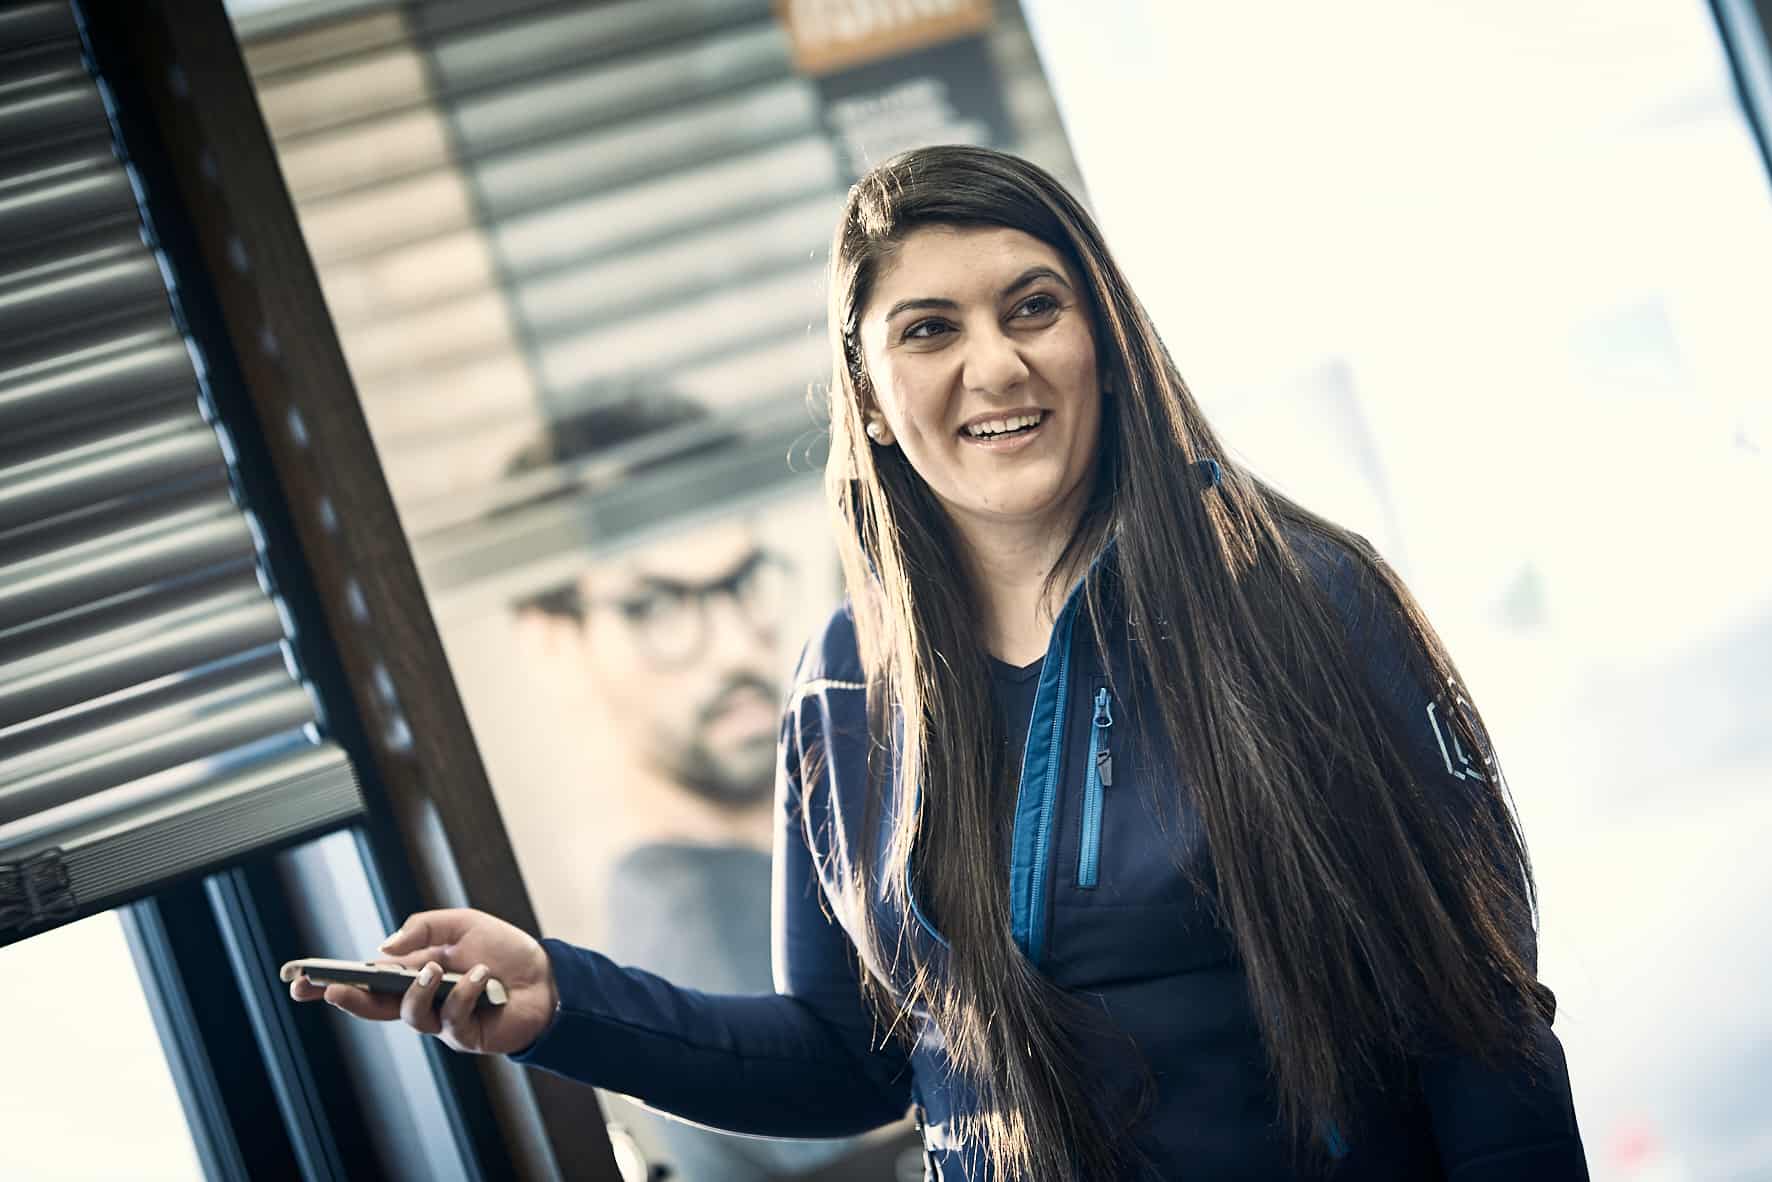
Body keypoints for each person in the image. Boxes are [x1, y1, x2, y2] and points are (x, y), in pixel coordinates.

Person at [293, 145, 1588, 1180]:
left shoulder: (1304, 600)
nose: (995, 364)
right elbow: (845, 1059)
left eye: (1034, 308)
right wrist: (560, 1001)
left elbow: (1479, 1022)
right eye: (928, 329)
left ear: (1104, 340)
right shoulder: (844, 685)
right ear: (867, 395)